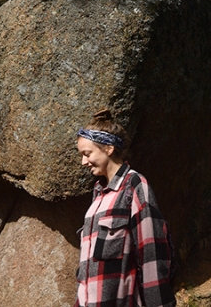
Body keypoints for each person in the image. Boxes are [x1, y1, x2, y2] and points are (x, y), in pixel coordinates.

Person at [75, 109, 176, 307]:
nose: (83, 162)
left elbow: (152, 255)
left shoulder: (135, 186)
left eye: (87, 154)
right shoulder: (98, 193)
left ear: (109, 148)